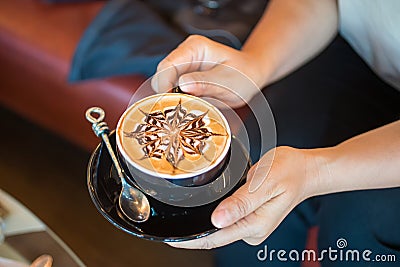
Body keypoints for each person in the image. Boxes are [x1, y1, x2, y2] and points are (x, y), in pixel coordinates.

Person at [152, 0, 400, 266]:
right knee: (250, 169)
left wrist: (316, 172)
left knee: (360, 224)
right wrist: (255, 62)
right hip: (359, 49)